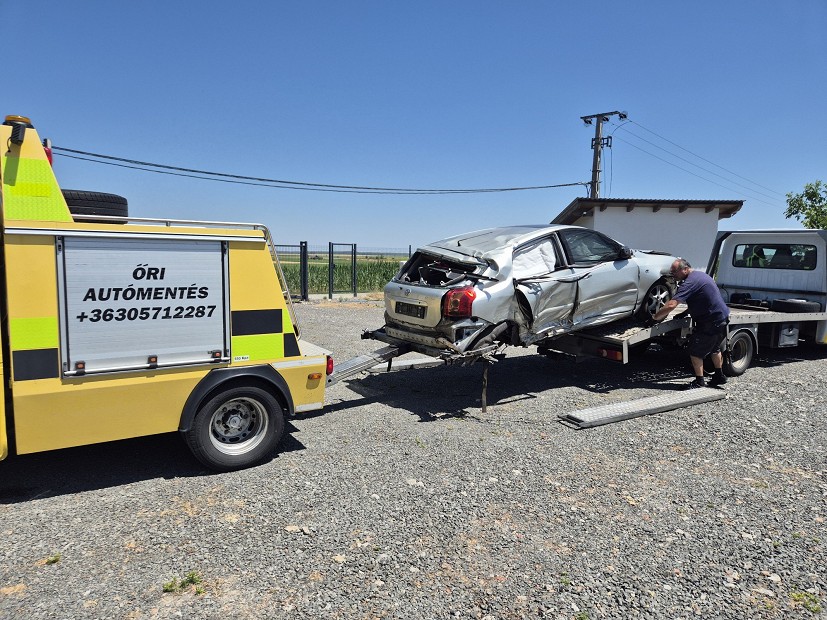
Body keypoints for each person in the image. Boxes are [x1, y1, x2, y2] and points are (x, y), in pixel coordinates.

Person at [649, 258, 730, 389]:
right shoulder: (700, 276)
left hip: (710, 321)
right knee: (715, 348)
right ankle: (719, 376)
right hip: (722, 318)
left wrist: (655, 318)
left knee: (695, 352)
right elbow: (702, 299)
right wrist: (685, 313)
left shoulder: (689, 283)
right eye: (671, 272)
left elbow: (672, 304)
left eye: (675, 272)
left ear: (685, 269)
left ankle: (699, 382)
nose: (673, 275)